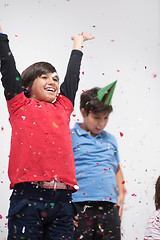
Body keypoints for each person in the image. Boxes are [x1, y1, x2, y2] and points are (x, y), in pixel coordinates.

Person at [0, 25, 94, 240]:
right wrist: (1, 37)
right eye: (44, 77)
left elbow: (73, 78)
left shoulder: (63, 107)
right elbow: (7, 66)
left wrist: (77, 44)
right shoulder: (19, 104)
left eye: (54, 79)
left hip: (62, 199)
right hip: (28, 198)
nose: (52, 81)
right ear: (27, 85)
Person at [71, 84, 125, 240]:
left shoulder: (110, 140)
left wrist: (120, 196)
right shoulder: (70, 137)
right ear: (83, 112)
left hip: (109, 205)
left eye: (106, 118)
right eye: (96, 118)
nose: (101, 123)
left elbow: (116, 168)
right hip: (80, 204)